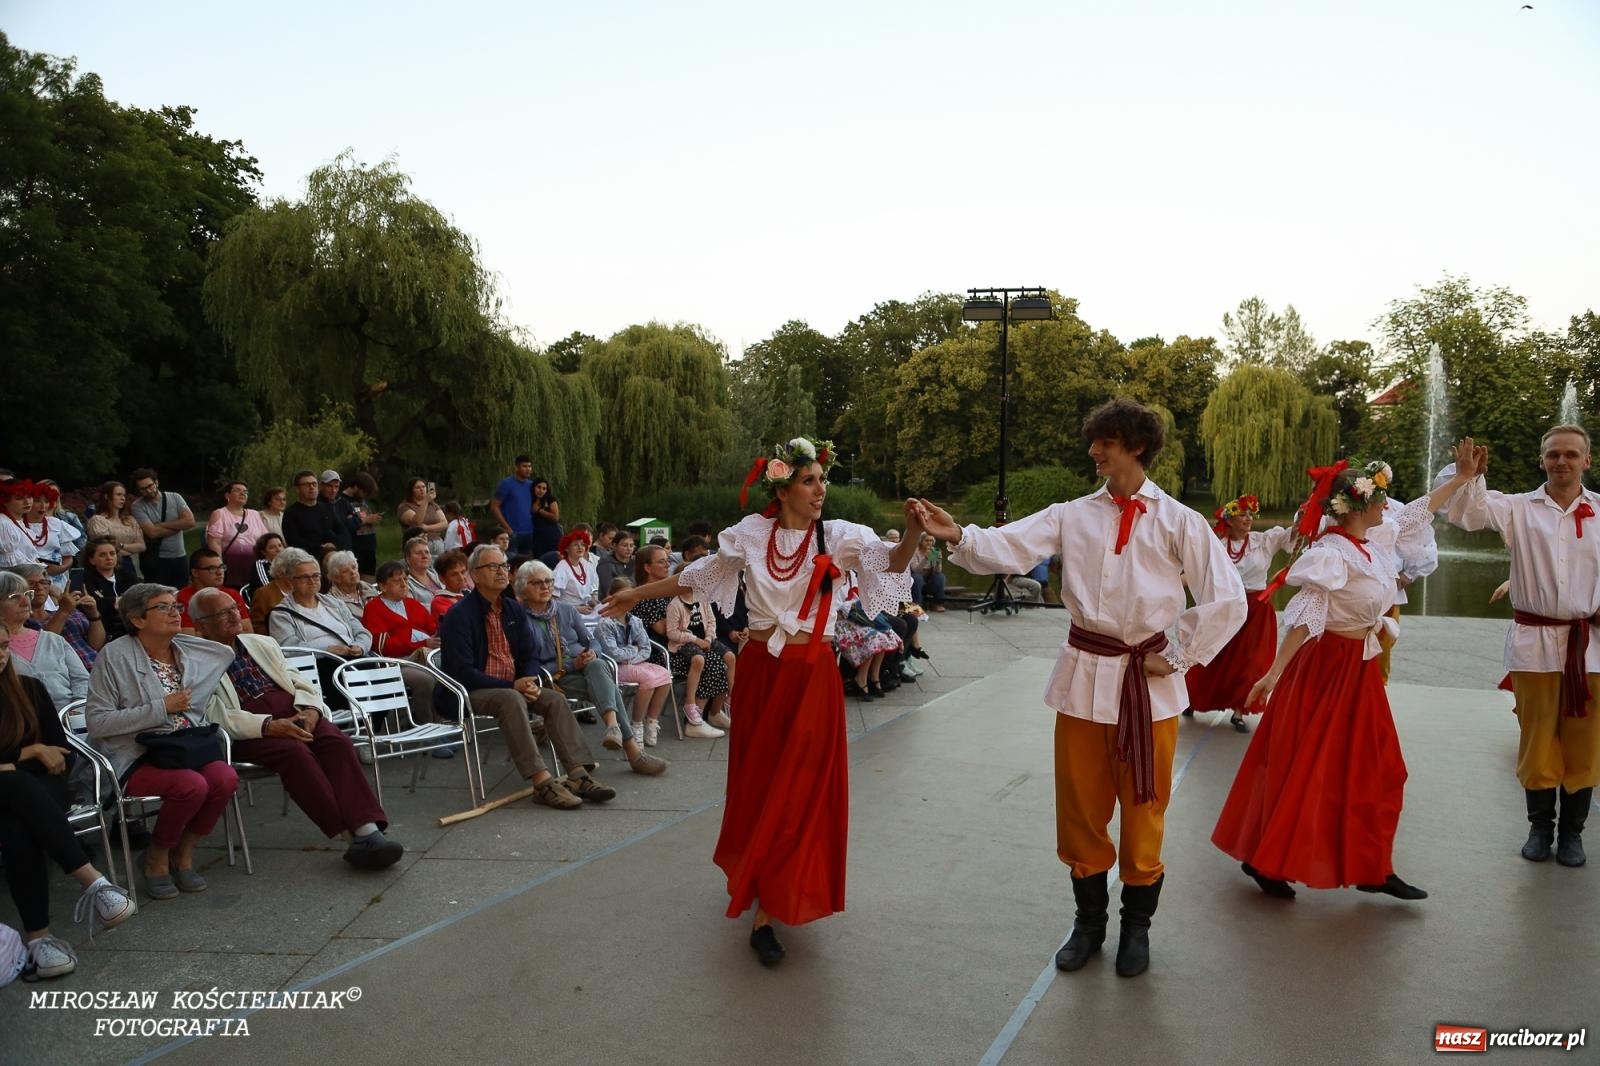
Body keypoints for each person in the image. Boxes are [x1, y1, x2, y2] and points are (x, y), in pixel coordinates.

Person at [916, 400, 1246, 979]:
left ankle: (1135, 930)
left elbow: (1227, 598)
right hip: (1084, 679)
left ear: (1136, 447)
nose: (1095, 450)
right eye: (1095, 441)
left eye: (1106, 442)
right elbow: (1014, 544)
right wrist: (960, 535)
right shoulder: (1074, 514)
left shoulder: (1180, 521)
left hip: (1147, 689)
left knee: (1145, 810)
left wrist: (1178, 653)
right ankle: (1089, 925)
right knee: (1080, 812)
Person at [604, 436, 919, 965]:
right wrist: (634, 595)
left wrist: (911, 530)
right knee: (762, 781)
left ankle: (772, 905)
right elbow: (695, 577)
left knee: (802, 786)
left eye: (822, 479)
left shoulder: (840, 535)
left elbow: (891, 562)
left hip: (813, 674)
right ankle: (762, 881)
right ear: (784, 487)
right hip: (761, 671)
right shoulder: (750, 536)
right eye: (809, 480)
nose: (821, 489)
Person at [1212, 445, 1480, 902]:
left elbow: (1417, 513)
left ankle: (1371, 864)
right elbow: (1307, 612)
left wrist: (1458, 480)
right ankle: (1266, 858)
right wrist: (1273, 674)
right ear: (1359, 505)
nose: (1387, 506)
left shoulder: (1373, 541)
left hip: (1360, 670)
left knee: (1380, 768)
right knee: (1308, 769)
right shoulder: (1333, 553)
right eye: (1380, 499)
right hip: (1326, 671)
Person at [1447, 424, 1600, 867]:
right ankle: (1539, 828)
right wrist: (1467, 477)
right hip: (1535, 644)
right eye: (1553, 453)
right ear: (1542, 460)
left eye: (1572, 454)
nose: (1562, 461)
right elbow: (1466, 514)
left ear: (1586, 461)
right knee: (1537, 738)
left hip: (1590, 647)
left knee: (1584, 740)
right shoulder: (1517, 508)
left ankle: (1572, 833)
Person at [189, 588, 403, 870]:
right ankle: (351, 836)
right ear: (202, 625)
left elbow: (298, 681)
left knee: (336, 742)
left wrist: (312, 710)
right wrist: (269, 725)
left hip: (295, 711)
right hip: (249, 729)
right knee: (296, 754)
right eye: (223, 612)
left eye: (235, 607)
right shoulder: (193, 662)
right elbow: (211, 714)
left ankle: (367, 829)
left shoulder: (259, 643)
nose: (234, 615)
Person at [85, 583, 240, 900]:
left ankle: (183, 851)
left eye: (176, 606)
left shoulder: (185, 650)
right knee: (191, 785)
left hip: (182, 747)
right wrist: (161, 708)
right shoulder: (114, 657)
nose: (175, 612)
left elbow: (224, 651)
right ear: (137, 619)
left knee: (225, 777)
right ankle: (156, 856)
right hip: (135, 754)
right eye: (163, 607)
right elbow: (97, 722)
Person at [435, 544, 617, 810]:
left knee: (553, 699)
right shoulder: (459, 615)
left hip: (514, 686)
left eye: (504, 566)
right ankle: (542, 782)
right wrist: (513, 685)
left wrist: (529, 680)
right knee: (510, 699)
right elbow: (462, 672)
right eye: (493, 567)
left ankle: (578, 775)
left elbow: (529, 654)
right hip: (470, 691)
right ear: (474, 575)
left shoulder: (512, 609)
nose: (501, 572)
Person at [0, 631, 137, 979]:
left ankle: (39, 941)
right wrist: (27, 752)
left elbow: (58, 753)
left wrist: (11, 762)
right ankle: (93, 883)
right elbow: (38, 754)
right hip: (25, 788)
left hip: (38, 790)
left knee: (17, 823)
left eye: (3, 646)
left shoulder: (28, 688)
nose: (1, 654)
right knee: (14, 791)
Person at [515, 561, 668, 776]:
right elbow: (529, 663)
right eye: (537, 583)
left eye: (548, 581)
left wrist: (593, 652)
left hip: (587, 667)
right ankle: (633, 752)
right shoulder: (520, 620)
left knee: (597, 664)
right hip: (553, 678)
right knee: (609, 688)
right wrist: (571, 664)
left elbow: (591, 640)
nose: (545, 587)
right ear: (523, 588)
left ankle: (615, 730)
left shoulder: (566, 610)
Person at [1182, 494, 1296, 732]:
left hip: (1257, 608)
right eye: (1242, 515)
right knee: (1213, 655)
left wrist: (1306, 517)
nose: (1247, 519)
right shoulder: (1218, 545)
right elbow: (1197, 570)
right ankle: (1194, 698)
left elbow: (1292, 537)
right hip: (1226, 607)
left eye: (1250, 515)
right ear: (1230, 520)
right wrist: (1171, 584)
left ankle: (1239, 710)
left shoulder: (1264, 541)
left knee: (1251, 662)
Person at [596, 577, 675, 747]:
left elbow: (646, 648)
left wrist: (633, 656)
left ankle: (652, 721)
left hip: (635, 663)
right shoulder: (605, 623)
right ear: (612, 596)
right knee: (647, 678)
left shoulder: (635, 621)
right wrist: (634, 652)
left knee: (665, 674)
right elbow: (613, 653)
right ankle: (636, 723)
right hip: (615, 667)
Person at [1, 570, 89, 710]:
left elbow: (82, 680)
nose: (25, 602)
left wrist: (75, 712)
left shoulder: (54, 640)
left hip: (71, 721)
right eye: (14, 597)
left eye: (27, 595)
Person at [665, 581, 732, 736]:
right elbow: (672, 633)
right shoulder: (675, 604)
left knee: (729, 658)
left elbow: (711, 621)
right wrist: (696, 640)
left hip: (705, 640)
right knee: (706, 662)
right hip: (685, 644)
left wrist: (708, 639)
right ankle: (693, 711)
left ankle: (718, 709)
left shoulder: (702, 598)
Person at [16, 561, 105, 670]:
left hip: (98, 669)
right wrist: (63, 611)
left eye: (43, 582)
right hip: (68, 678)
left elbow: (96, 645)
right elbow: (45, 646)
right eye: (31, 583)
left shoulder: (70, 611)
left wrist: (94, 615)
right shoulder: (21, 623)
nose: (39, 587)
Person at [129, 469, 196, 589]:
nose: (149, 490)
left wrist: (160, 525)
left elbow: (190, 522)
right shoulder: (137, 506)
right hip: (156, 559)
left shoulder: (175, 497)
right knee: (158, 596)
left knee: (182, 593)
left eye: (150, 486)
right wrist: (179, 526)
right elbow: (152, 533)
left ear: (156, 483)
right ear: (138, 491)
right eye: (143, 489)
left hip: (179, 556)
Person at [362, 562, 441, 659]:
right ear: (383, 587)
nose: (404, 584)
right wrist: (424, 644)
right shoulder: (373, 609)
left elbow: (433, 629)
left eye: (405, 579)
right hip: (400, 661)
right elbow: (382, 647)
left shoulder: (413, 604)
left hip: (430, 653)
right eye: (397, 581)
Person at [204, 481, 269, 588]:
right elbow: (214, 542)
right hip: (230, 568)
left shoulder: (255, 514)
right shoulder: (219, 514)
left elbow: (265, 540)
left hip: (254, 567)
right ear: (227, 495)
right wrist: (219, 566)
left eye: (245, 492)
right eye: (237, 490)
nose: (242, 493)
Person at [174, 549, 251, 632]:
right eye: (212, 568)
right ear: (195, 572)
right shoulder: (183, 598)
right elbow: (189, 636)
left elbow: (248, 632)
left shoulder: (232, 594)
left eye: (221, 567)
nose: (220, 572)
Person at [86, 482, 145, 582]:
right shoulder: (98, 520)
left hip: (128, 564)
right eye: (118, 494)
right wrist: (130, 548)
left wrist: (121, 545)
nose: (123, 498)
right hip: (107, 565)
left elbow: (142, 546)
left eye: (124, 495)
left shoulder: (129, 520)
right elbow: (104, 547)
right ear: (106, 496)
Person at [281, 471, 343, 561]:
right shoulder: (290, 513)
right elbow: (294, 541)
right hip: (306, 560)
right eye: (306, 484)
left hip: (333, 554)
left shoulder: (326, 508)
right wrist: (320, 548)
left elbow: (342, 530)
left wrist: (335, 545)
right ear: (297, 489)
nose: (311, 487)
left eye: (314, 484)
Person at [83, 536, 130, 642]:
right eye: (102, 555)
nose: (109, 558)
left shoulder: (127, 576)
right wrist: (115, 601)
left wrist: (112, 602)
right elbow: (97, 604)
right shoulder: (86, 579)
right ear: (91, 560)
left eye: (112, 553)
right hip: (104, 629)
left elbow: (138, 600)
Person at [490, 456, 537, 557]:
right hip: (511, 533)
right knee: (510, 563)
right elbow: (494, 506)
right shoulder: (506, 484)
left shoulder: (532, 485)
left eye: (530, 466)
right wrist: (507, 527)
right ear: (516, 468)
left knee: (525, 565)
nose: (528, 469)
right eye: (524, 466)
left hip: (529, 533)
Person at [338, 473, 383, 577]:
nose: (365, 496)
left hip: (369, 549)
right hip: (354, 548)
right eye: (364, 493)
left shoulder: (362, 501)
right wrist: (365, 520)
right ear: (356, 487)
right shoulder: (341, 501)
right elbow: (343, 525)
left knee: (369, 583)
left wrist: (372, 518)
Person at [552, 530, 599, 613]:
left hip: (586, 610)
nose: (580, 547)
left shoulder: (586, 565)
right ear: (566, 548)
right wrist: (577, 609)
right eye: (575, 545)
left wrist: (595, 604)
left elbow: (589, 595)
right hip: (567, 613)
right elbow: (553, 601)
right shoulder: (561, 568)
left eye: (582, 545)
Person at [396, 478, 445, 557]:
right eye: (418, 487)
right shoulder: (405, 506)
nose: (422, 489)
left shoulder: (433, 504)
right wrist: (425, 501)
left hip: (437, 543)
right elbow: (417, 522)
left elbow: (444, 523)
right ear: (411, 490)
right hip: (418, 545)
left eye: (423, 487)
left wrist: (426, 528)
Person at [402, 535, 445, 608]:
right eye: (418, 553)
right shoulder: (405, 583)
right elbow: (413, 608)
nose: (424, 556)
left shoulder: (437, 573)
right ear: (408, 559)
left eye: (427, 552)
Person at [429, 550, 470, 624]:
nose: (461, 578)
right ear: (442, 578)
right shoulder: (439, 601)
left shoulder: (469, 593)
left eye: (463, 572)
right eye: (454, 574)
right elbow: (460, 623)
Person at [529, 478, 563, 559]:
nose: (541, 490)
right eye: (539, 487)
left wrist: (540, 511)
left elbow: (555, 517)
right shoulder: (529, 499)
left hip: (552, 536)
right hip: (537, 537)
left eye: (544, 488)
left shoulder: (550, 499)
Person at [598, 529, 634, 595]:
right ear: (614, 546)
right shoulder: (605, 564)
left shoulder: (635, 562)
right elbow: (609, 590)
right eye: (625, 545)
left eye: (631, 546)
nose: (629, 549)